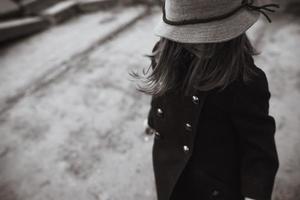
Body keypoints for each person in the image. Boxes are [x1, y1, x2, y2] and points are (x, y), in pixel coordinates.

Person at [131, 0, 280, 199]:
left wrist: (254, 193)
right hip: (169, 165)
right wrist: (153, 119)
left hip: (214, 185)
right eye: (188, 35)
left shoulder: (245, 80)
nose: (197, 42)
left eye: (208, 35)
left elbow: (259, 147)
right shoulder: (165, 52)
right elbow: (161, 94)